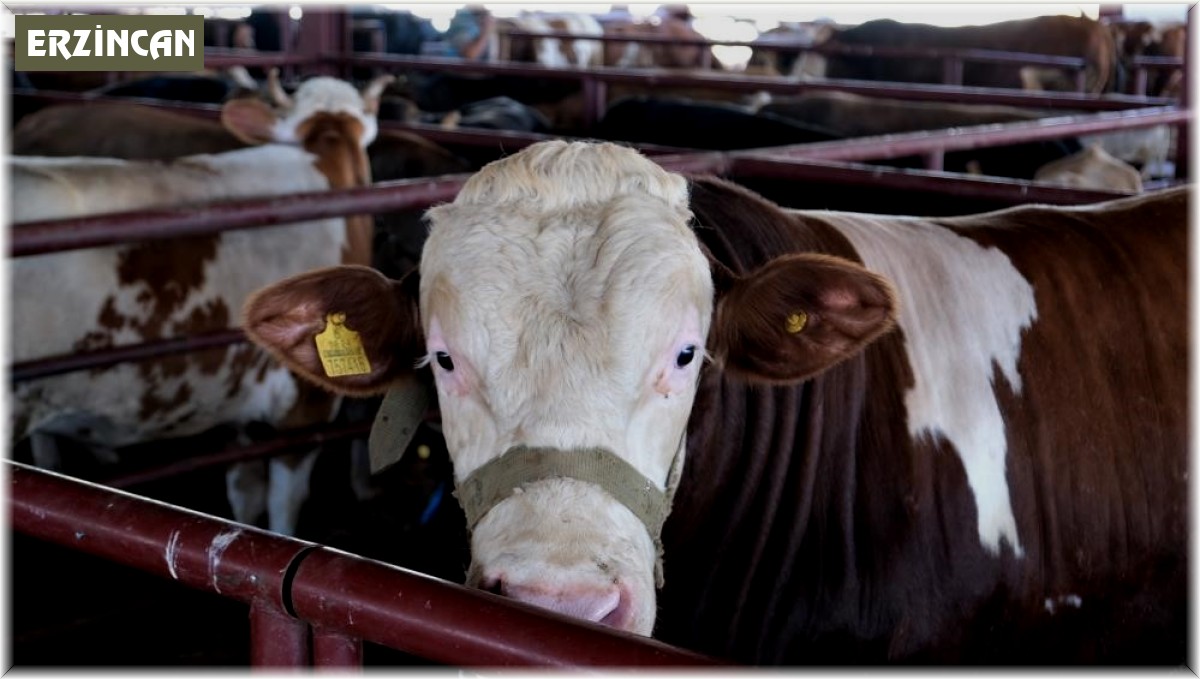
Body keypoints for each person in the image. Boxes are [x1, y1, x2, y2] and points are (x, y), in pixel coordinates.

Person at [422, 5, 497, 61]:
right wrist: (485, 31)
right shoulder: (464, 19)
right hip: (457, 73)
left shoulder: (481, 17)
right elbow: (470, 55)